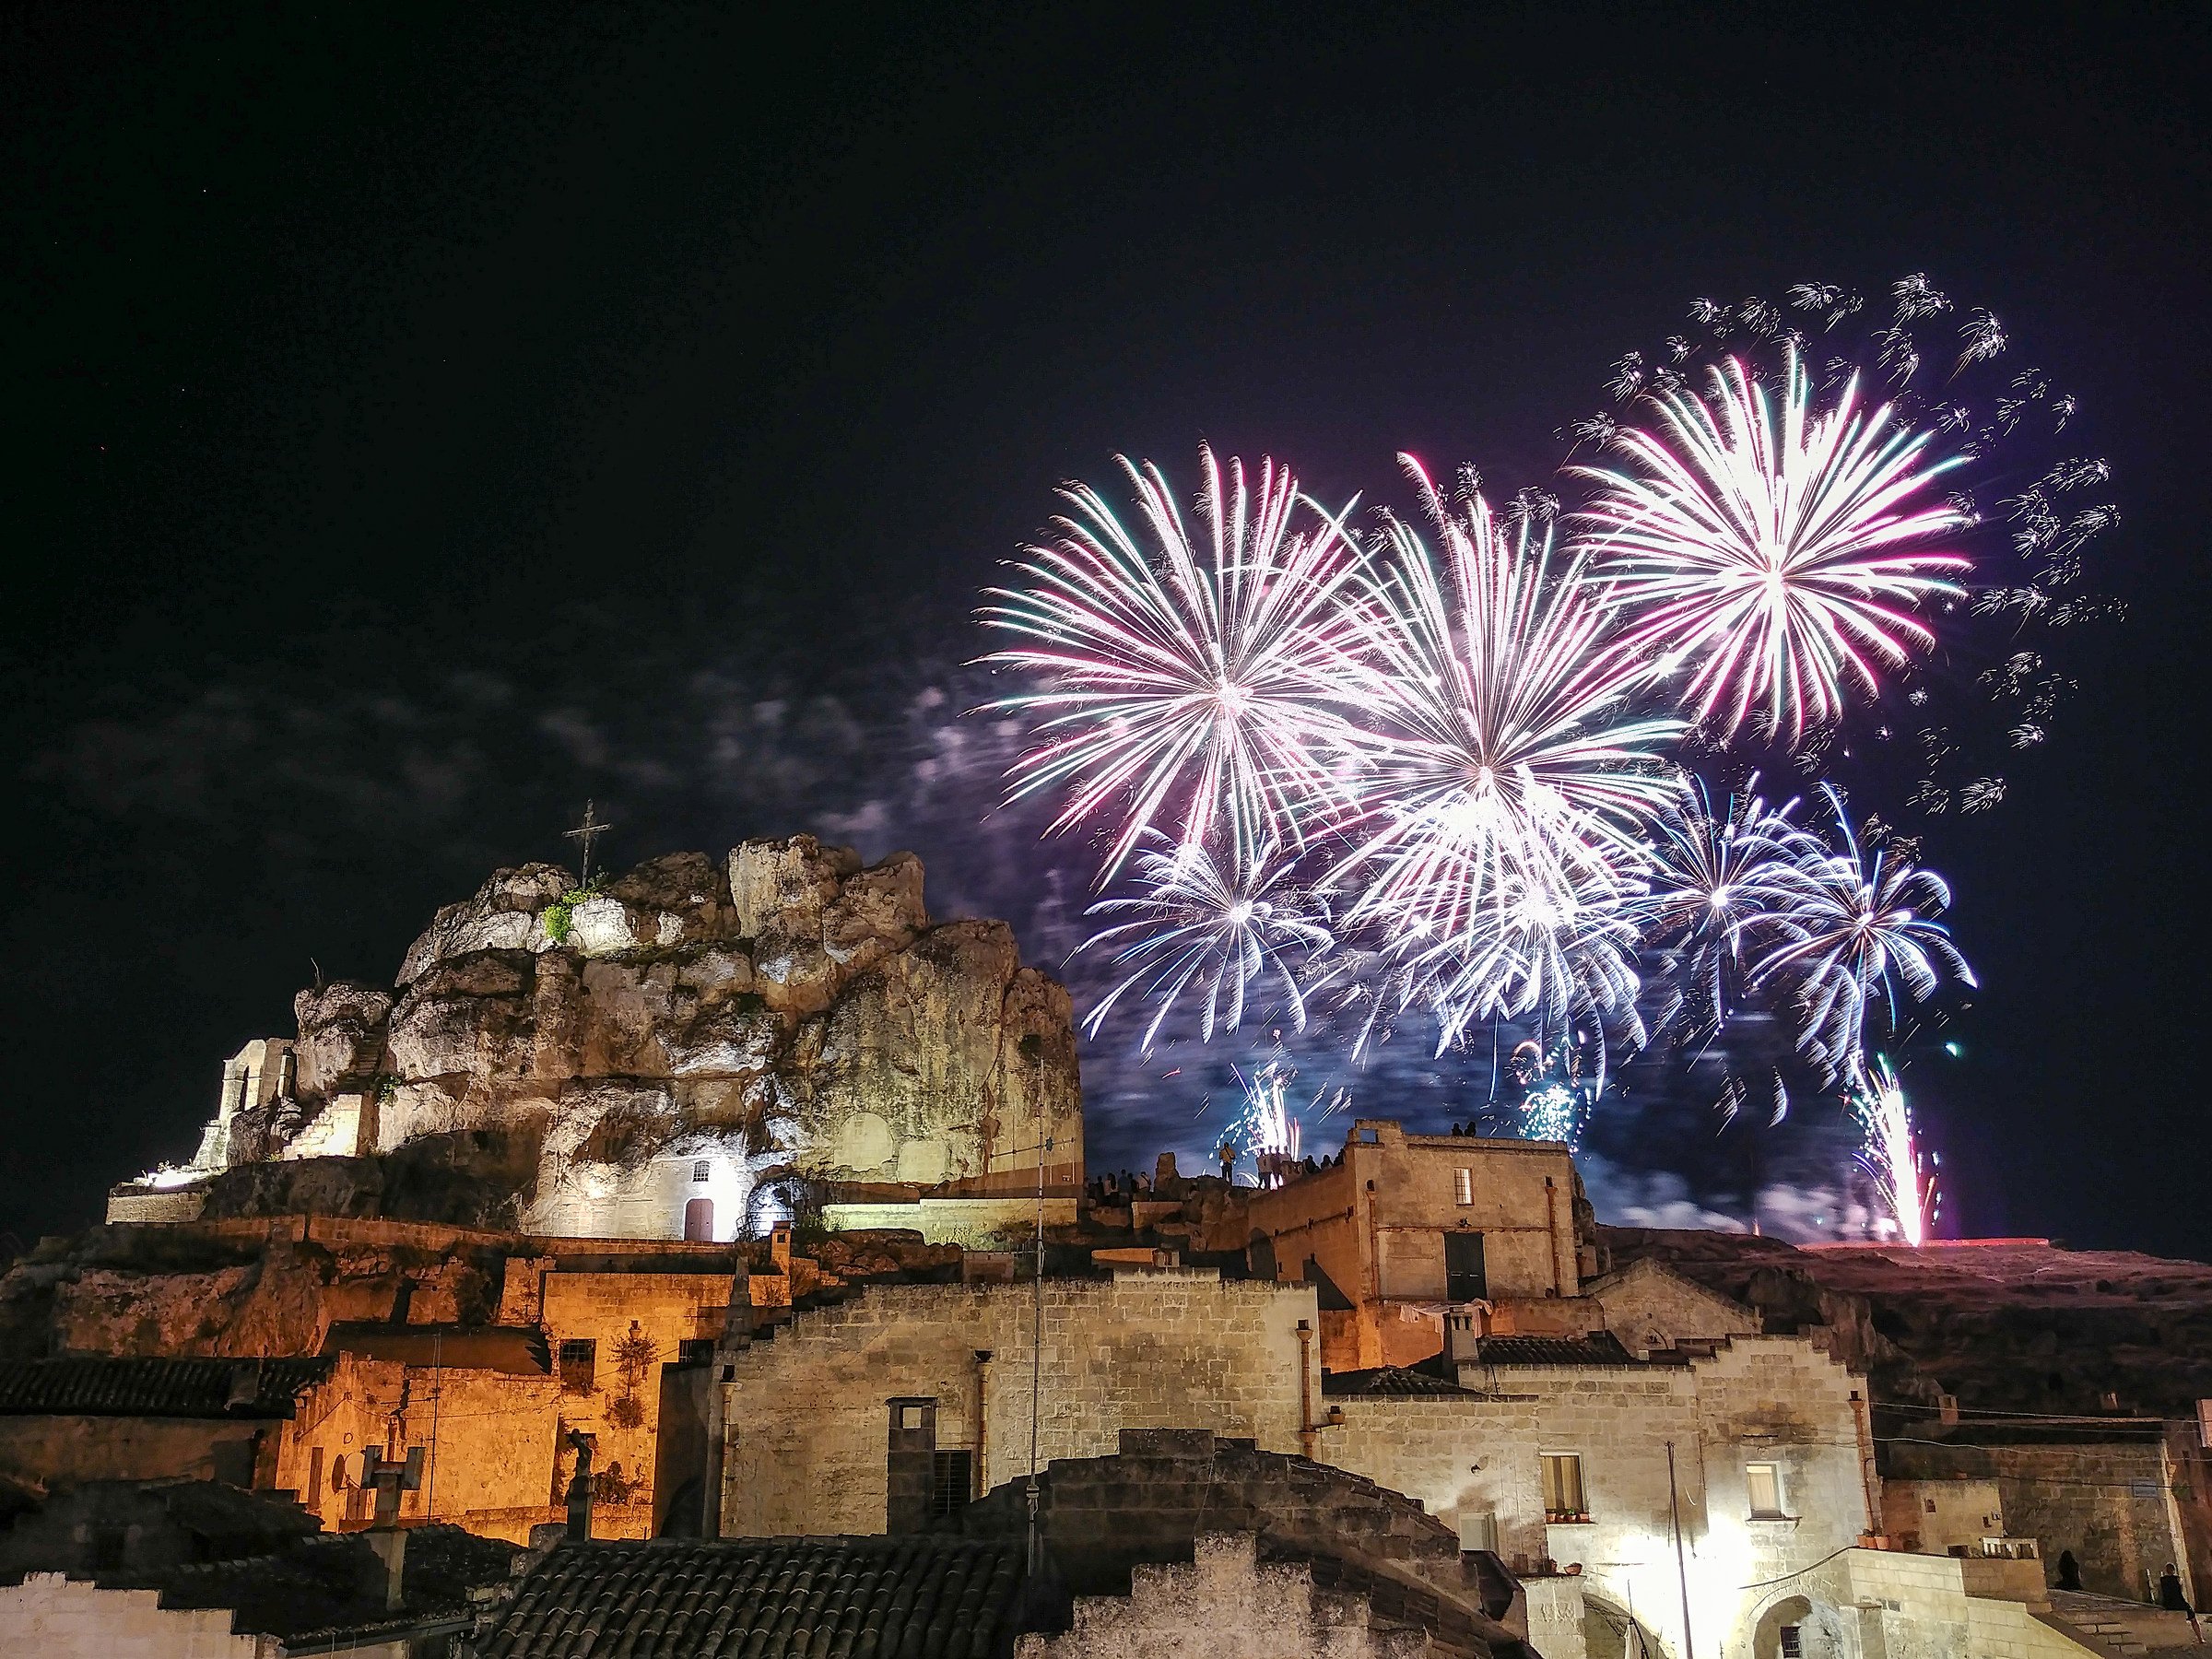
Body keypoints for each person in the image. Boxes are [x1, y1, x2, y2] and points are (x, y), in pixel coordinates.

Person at [2157, 1563, 2199, 1642]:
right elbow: (2181, 1590)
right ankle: (2200, 1638)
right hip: (2179, 1603)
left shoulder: (2162, 1580)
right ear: (2174, 1570)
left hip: (2167, 1603)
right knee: (2193, 1618)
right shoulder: (2178, 1579)